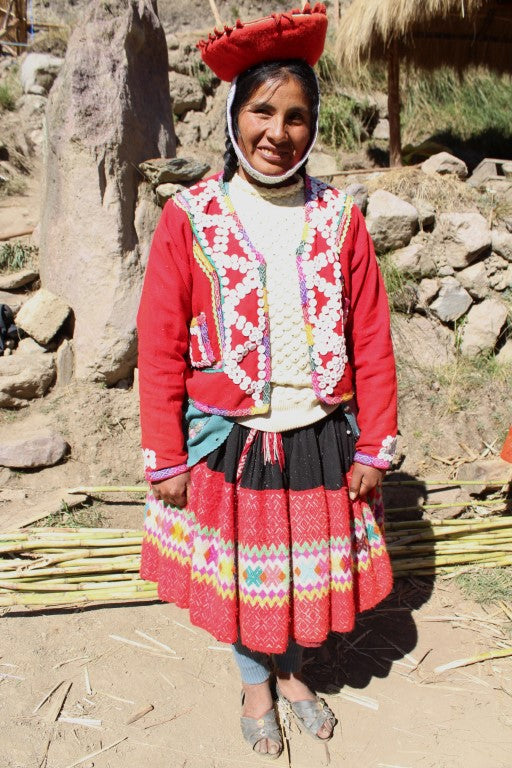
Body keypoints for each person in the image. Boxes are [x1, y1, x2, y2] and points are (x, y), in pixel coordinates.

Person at [137, 3, 398, 759]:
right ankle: (256, 683)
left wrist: (374, 445)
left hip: (319, 434)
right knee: (246, 581)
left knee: (299, 577)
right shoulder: (191, 217)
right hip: (231, 441)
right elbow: (159, 346)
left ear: (312, 126)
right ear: (233, 116)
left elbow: (372, 338)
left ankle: (294, 674)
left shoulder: (339, 219)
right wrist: (166, 454)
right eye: (261, 111)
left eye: (295, 116)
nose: (277, 132)